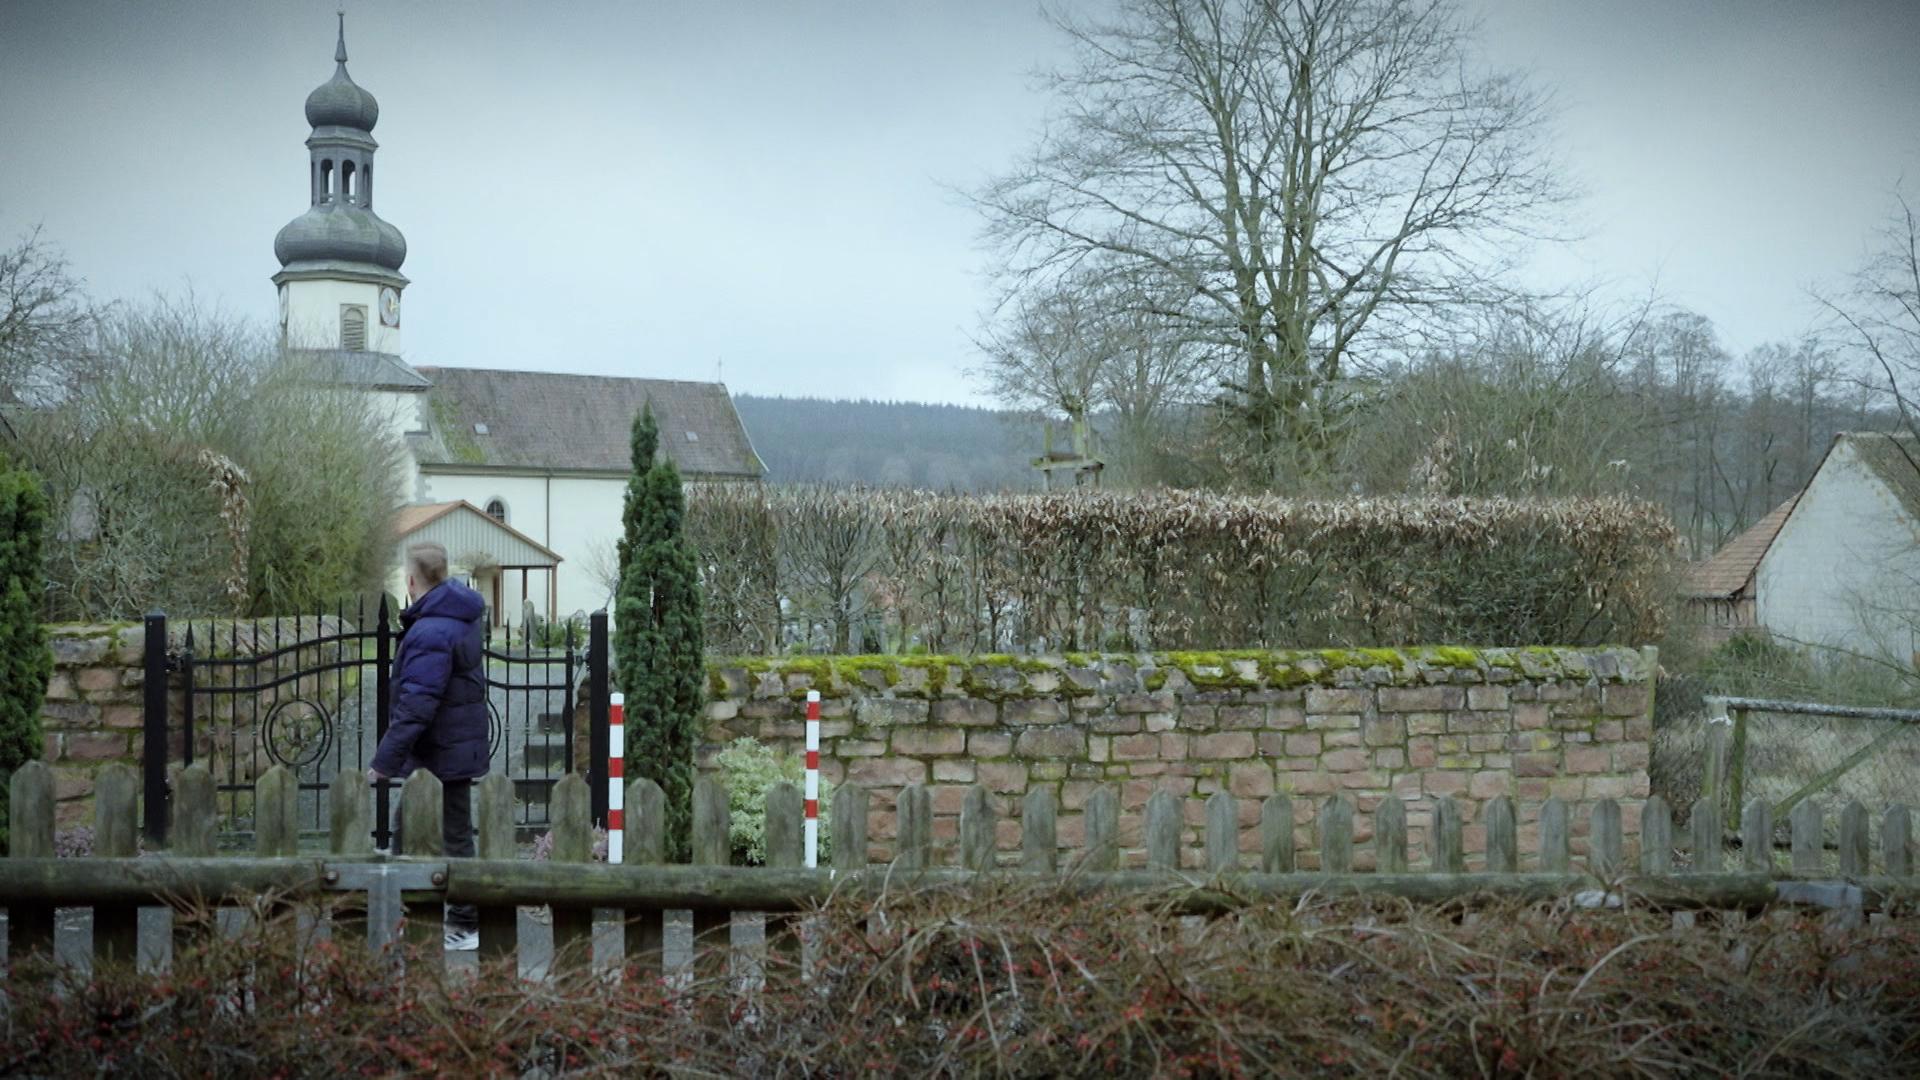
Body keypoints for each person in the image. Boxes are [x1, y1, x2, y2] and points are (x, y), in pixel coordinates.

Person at [368, 541, 488, 951]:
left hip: (441, 749)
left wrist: (384, 762)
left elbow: (417, 703)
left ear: (411, 580)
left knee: (446, 838)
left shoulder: (431, 630)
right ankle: (409, 917)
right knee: (412, 833)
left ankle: (464, 925)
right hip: (450, 745)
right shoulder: (457, 618)